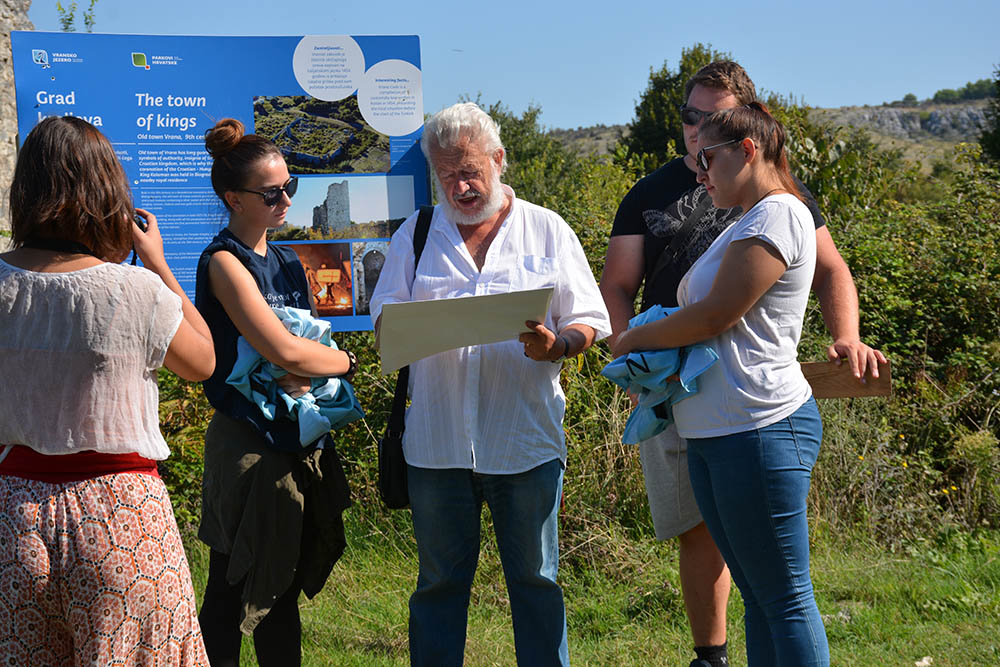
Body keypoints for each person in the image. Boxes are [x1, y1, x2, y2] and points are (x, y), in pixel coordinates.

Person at [599, 60, 885, 667]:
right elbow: (643, 292)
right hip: (715, 423)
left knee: (784, 598)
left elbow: (714, 316)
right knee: (760, 596)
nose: (700, 166)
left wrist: (631, 343)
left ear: (747, 145)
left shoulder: (779, 212)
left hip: (754, 425)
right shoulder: (751, 212)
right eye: (692, 129)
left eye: (711, 153)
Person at [370, 102, 611, 667]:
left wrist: (559, 345)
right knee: (438, 585)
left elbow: (589, 318)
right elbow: (384, 316)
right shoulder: (417, 233)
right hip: (437, 445)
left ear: (499, 160)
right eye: (447, 174)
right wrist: (406, 329)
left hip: (523, 441)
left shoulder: (546, 229)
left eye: (470, 171)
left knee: (536, 581)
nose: (460, 186)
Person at [0, 116, 214, 665]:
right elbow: (203, 361)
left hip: (13, 513)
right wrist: (158, 264)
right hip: (122, 517)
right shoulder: (135, 290)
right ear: (106, 192)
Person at [194, 118, 357, 667]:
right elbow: (289, 351)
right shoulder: (224, 262)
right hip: (247, 447)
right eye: (272, 193)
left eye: (291, 186)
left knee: (281, 588)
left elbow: (306, 348)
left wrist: (311, 363)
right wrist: (347, 364)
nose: (286, 200)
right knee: (229, 586)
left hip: (291, 439)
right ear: (233, 199)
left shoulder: (286, 261)